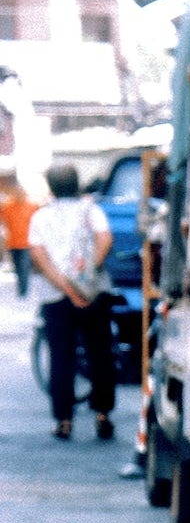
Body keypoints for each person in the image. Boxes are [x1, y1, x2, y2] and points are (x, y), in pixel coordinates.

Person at [28, 163, 116, 441]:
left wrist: (67, 288)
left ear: (52, 187)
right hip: (94, 294)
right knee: (100, 354)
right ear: (77, 184)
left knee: (61, 357)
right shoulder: (92, 210)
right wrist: (86, 277)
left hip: (56, 297)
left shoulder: (41, 217)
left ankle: (64, 420)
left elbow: (39, 256)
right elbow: (105, 239)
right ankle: (102, 415)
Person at [0, 183, 36, 298]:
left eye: (21, 192)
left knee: (24, 266)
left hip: (27, 243)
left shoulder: (32, 207)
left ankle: (23, 291)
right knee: (17, 267)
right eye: (17, 192)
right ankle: (21, 286)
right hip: (13, 243)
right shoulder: (7, 207)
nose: (19, 194)